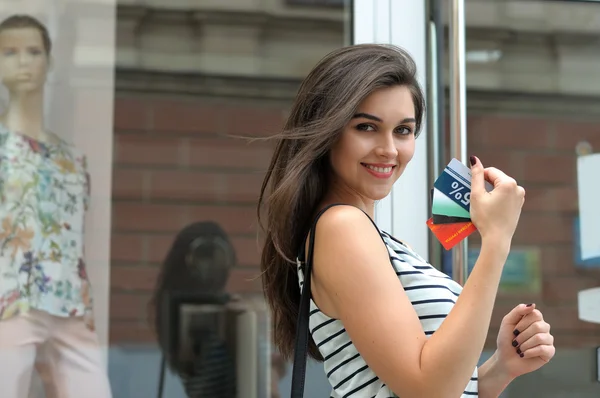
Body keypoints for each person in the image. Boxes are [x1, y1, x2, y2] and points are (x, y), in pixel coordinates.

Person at [258, 43, 555, 397]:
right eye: (367, 127)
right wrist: (496, 241)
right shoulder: (342, 228)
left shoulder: (373, 238)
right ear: (327, 130)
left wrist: (499, 367)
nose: (389, 149)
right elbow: (427, 389)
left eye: (403, 130)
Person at [0, 14, 112, 398]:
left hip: (70, 304)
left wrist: (87, 301)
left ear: (49, 61)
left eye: (33, 51)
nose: (23, 62)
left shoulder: (71, 158)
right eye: (9, 52)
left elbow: (84, 239)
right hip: (11, 301)